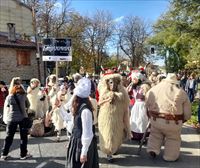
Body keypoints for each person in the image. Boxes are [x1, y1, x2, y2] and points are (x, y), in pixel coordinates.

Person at [145, 73, 191, 161]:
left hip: (155, 120)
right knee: (173, 138)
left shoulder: (154, 89)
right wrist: (186, 118)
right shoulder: (180, 92)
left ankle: (152, 149)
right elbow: (187, 111)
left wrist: (149, 114)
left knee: (155, 135)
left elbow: (147, 103)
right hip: (174, 122)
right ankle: (170, 156)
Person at [66, 78, 99, 168]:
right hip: (76, 141)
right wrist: (59, 107)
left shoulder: (85, 111)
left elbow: (87, 133)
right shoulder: (79, 107)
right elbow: (67, 117)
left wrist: (84, 152)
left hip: (82, 145)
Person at [98, 73, 131, 162]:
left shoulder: (122, 93)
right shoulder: (104, 92)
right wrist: (107, 99)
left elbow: (126, 106)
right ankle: (109, 153)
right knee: (108, 134)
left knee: (117, 133)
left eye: (114, 82)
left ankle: (115, 147)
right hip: (106, 118)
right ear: (107, 83)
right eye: (110, 82)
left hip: (118, 117)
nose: (113, 85)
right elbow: (99, 103)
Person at [1, 82, 31, 160]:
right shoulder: (24, 96)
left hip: (12, 118)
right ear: (22, 89)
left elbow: (7, 106)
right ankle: (23, 155)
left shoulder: (9, 97)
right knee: (23, 137)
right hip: (22, 118)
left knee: (9, 137)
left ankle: (4, 154)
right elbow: (28, 105)